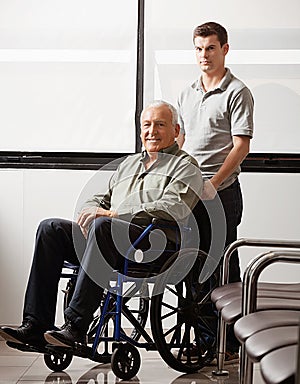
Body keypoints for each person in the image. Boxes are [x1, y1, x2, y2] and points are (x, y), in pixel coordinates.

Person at [0, 100, 203, 349]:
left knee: (103, 226)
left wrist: (114, 214)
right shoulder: (128, 165)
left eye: (160, 125)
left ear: (176, 130)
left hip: (152, 246)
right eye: (147, 125)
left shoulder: (186, 166)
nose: (152, 131)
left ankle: (75, 327)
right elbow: (100, 198)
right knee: (50, 228)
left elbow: (174, 208)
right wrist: (89, 211)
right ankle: (35, 325)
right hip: (107, 240)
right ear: (140, 130)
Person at [176, 22, 254, 359]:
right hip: (189, 192)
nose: (204, 55)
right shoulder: (187, 91)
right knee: (193, 266)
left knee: (221, 267)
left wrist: (213, 183)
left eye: (210, 47)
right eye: (198, 48)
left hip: (220, 193)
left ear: (224, 49)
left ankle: (230, 344)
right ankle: (208, 340)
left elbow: (241, 146)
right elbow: (182, 140)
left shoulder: (237, 91)